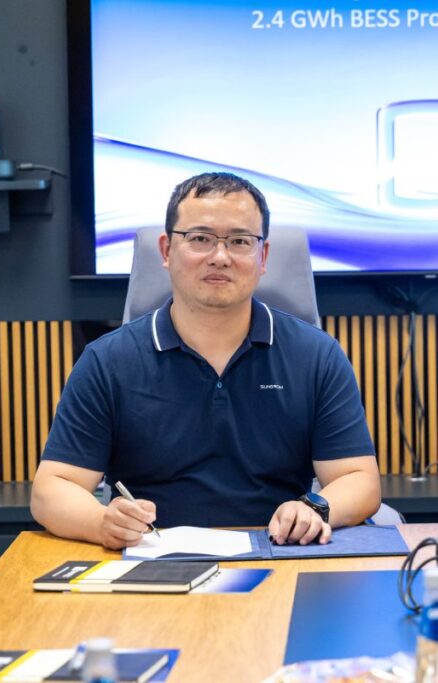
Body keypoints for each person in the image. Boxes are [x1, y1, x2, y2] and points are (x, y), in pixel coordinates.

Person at [31, 172, 381, 549]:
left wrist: (314, 508)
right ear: (166, 250)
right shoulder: (107, 361)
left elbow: (359, 479)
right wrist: (102, 522)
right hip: (151, 559)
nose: (220, 257)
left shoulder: (316, 355)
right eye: (200, 238)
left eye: (239, 241)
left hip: (281, 552)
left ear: (263, 256)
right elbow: (52, 488)